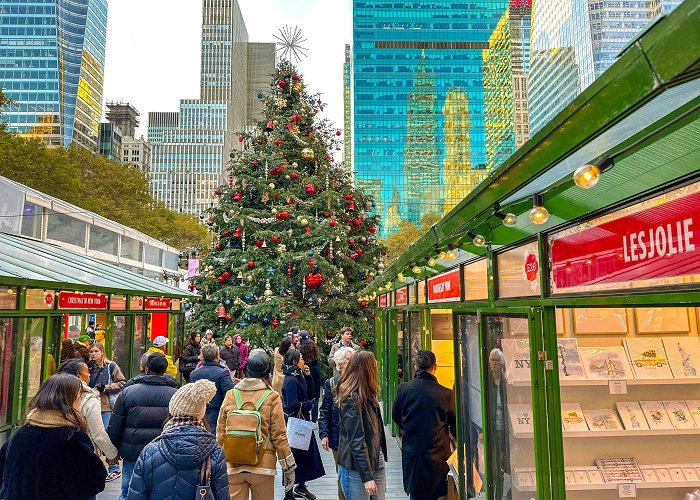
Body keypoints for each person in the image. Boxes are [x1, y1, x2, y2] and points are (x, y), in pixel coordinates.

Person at [0, 374, 107, 500]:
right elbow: (94, 480)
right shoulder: (71, 437)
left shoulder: (20, 434)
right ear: (70, 399)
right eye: (79, 394)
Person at [126, 379, 230, 500]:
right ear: (200, 413)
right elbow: (222, 495)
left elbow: (136, 495)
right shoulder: (214, 452)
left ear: (172, 410)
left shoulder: (150, 451)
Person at [217, 350, 297, 500]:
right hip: (263, 465)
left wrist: (217, 463)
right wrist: (288, 465)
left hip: (233, 464)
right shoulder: (272, 397)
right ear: (268, 372)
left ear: (247, 370)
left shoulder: (231, 395)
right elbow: (279, 435)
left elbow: (221, 433)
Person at [107, 352, 178, 500]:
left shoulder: (128, 392)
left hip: (132, 451)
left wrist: (112, 452)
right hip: (164, 451)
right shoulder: (176, 394)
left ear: (146, 369)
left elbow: (115, 425)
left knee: (128, 491)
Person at [392, 350, 457, 500]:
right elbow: (453, 423)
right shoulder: (446, 393)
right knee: (438, 494)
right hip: (438, 455)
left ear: (416, 366)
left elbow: (396, 416)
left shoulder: (404, 389)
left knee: (416, 495)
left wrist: (410, 428)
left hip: (413, 453)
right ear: (435, 367)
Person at [336, 351, 387, 500]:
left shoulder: (368, 395)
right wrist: (367, 477)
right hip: (356, 467)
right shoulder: (351, 398)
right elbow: (356, 440)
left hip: (375, 460)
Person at [57, 360, 119, 468]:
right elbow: (98, 434)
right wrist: (112, 454)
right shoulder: (89, 399)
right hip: (83, 452)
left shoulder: (53, 394)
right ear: (78, 376)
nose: (89, 374)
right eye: (86, 372)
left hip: (56, 451)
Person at [282, 349, 325, 499]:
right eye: (300, 359)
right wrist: (308, 405)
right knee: (292, 458)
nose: (303, 361)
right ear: (294, 362)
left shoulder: (298, 375)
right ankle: (288, 493)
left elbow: (309, 393)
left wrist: (307, 377)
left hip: (302, 421)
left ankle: (300, 486)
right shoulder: (290, 380)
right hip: (295, 423)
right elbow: (291, 404)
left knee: (305, 456)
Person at [319, 346, 355, 500]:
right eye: (349, 359)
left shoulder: (359, 380)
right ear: (340, 363)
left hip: (358, 435)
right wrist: (324, 434)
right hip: (338, 437)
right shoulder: (332, 383)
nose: (352, 361)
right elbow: (325, 410)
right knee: (342, 473)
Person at [87, 341, 126, 482]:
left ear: (102, 352)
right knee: (91, 437)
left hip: (105, 406)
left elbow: (122, 382)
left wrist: (106, 387)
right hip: (89, 405)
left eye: (96, 351)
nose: (93, 354)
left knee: (106, 436)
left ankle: (113, 467)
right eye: (91, 352)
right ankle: (94, 466)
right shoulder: (87, 367)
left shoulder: (111, 366)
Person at [190, 343, 235, 435]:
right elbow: (229, 396)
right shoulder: (223, 373)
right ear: (217, 356)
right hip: (217, 415)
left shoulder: (194, 374)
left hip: (198, 415)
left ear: (202, 356)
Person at [486, 347, 509, 500]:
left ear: (502, 363)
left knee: (504, 461)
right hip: (492, 429)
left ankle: (502, 492)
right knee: (493, 463)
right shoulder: (487, 382)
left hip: (504, 429)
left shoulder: (506, 382)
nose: (494, 364)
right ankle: (495, 494)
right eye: (492, 361)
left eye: (497, 361)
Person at [298, 331, 321, 422]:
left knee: (306, 394)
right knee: (315, 396)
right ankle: (314, 418)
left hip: (305, 372)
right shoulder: (313, 346)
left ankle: (306, 416)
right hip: (315, 371)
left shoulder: (300, 350)